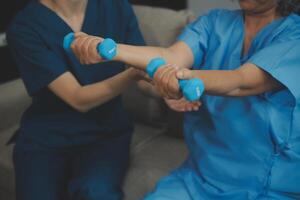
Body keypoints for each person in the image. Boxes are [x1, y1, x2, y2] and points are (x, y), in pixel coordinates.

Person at [69, 0, 300, 199]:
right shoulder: (214, 22)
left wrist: (183, 77)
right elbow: (170, 56)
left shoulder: (294, 35)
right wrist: (108, 49)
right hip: (200, 176)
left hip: (265, 186)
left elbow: (242, 81)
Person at [5, 0, 175, 199]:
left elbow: (145, 79)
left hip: (106, 134)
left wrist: (167, 90)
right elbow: (78, 98)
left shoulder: (116, 7)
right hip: (46, 138)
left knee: (98, 192)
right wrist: (132, 75)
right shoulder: (25, 26)